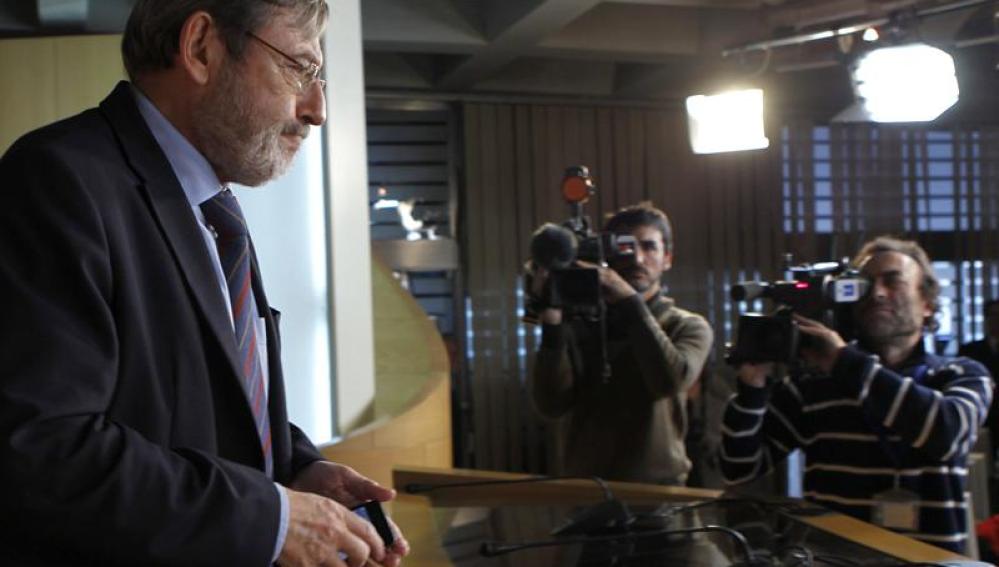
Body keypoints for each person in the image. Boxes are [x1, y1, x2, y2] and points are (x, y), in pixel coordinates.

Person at [0, 1, 409, 565]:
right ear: (200, 48)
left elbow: (194, 392)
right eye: (300, 68)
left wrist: (297, 469)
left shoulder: (212, 210)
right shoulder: (56, 181)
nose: (317, 109)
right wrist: (270, 517)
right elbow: (41, 449)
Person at [721, 236, 993, 553]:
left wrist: (842, 361)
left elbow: (947, 432)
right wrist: (753, 388)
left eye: (893, 282)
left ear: (927, 304)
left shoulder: (961, 374)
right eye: (866, 284)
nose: (876, 293)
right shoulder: (816, 385)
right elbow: (738, 468)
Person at [528, 202, 714, 485]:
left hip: (659, 492)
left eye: (650, 247)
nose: (638, 258)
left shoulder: (688, 326)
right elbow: (551, 405)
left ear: (667, 258)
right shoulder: (582, 323)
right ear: (608, 255)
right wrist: (552, 323)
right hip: (585, 488)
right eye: (626, 247)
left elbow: (669, 381)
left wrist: (629, 302)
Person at [959, 299, 999, 456]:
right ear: (986, 319)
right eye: (992, 315)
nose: (996, 320)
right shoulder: (970, 350)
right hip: (981, 417)